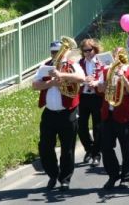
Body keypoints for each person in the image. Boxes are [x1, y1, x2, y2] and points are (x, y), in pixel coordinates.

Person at [32, 41, 86, 191]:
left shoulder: (72, 65)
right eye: (54, 52)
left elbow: (81, 78)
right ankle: (53, 175)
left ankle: (65, 179)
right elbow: (35, 85)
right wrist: (51, 83)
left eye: (59, 51)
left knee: (67, 148)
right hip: (50, 113)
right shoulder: (46, 67)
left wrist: (62, 74)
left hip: (67, 112)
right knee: (45, 146)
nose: (56, 55)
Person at [98, 48, 129, 190]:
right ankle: (113, 174)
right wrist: (103, 84)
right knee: (106, 148)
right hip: (108, 115)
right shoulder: (106, 71)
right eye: (116, 56)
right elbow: (100, 90)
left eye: (121, 57)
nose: (118, 59)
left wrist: (123, 78)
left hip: (124, 116)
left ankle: (126, 177)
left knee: (126, 149)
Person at [77, 38, 104, 167]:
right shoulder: (79, 63)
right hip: (83, 97)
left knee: (97, 127)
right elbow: (75, 80)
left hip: (97, 97)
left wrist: (96, 81)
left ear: (95, 49)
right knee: (81, 126)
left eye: (90, 50)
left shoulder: (101, 61)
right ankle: (89, 149)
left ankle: (97, 154)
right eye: (85, 51)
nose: (87, 53)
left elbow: (106, 77)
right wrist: (84, 80)